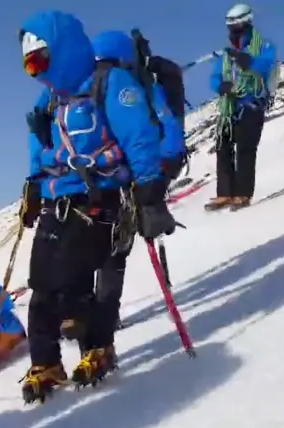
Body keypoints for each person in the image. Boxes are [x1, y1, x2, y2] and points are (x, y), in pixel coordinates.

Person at [18, 10, 177, 404]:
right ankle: (45, 361)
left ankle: (98, 347)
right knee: (41, 284)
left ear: (62, 50)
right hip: (58, 196)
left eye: (39, 59)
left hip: (100, 196)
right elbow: (40, 145)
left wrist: (150, 194)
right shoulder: (51, 99)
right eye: (28, 65)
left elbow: (139, 136)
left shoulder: (111, 83)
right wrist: (34, 186)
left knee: (74, 285)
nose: (35, 72)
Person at [90, 30, 188, 334]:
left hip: (139, 175)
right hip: (127, 174)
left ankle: (105, 313)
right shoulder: (122, 83)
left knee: (115, 246)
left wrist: (159, 173)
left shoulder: (128, 86)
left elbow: (164, 125)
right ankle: (104, 311)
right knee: (113, 245)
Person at [204, 3, 277, 212]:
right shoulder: (227, 55)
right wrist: (221, 86)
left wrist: (249, 61)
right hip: (230, 108)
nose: (233, 32)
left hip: (252, 104)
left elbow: (267, 64)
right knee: (223, 146)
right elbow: (215, 76)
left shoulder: (263, 46)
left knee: (245, 148)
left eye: (237, 27)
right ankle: (225, 193)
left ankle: (243, 193)